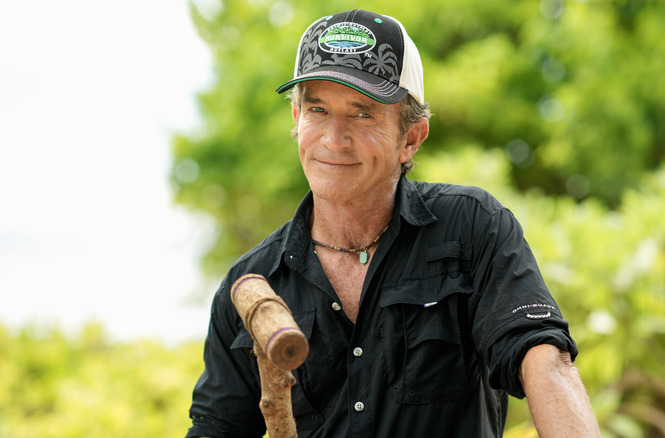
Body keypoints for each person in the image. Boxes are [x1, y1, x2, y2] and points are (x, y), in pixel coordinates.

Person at [186, 9, 600, 438]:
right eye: (318, 110)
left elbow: (544, 358)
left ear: (411, 137)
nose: (333, 138)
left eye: (362, 113)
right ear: (297, 120)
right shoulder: (252, 286)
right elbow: (216, 428)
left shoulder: (473, 228)